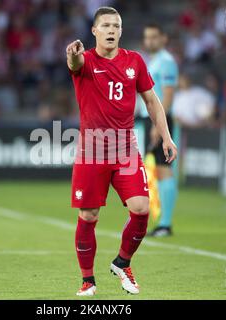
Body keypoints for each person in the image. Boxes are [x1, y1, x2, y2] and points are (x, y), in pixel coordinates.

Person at [67, 7, 177, 296]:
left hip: (125, 149)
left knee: (141, 209)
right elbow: (74, 62)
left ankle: (122, 262)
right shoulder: (86, 60)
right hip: (92, 151)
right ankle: (87, 281)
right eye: (105, 25)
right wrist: (73, 53)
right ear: (95, 31)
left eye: (116, 25)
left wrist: (166, 136)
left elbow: (152, 102)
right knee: (89, 215)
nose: (112, 30)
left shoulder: (135, 61)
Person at [138, 23, 179, 237]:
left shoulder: (167, 62)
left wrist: (158, 126)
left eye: (154, 37)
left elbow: (168, 96)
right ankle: (160, 221)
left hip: (159, 121)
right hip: (150, 120)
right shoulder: (153, 61)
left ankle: (166, 223)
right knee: (154, 169)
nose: (150, 41)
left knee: (164, 169)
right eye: (147, 37)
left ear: (164, 38)